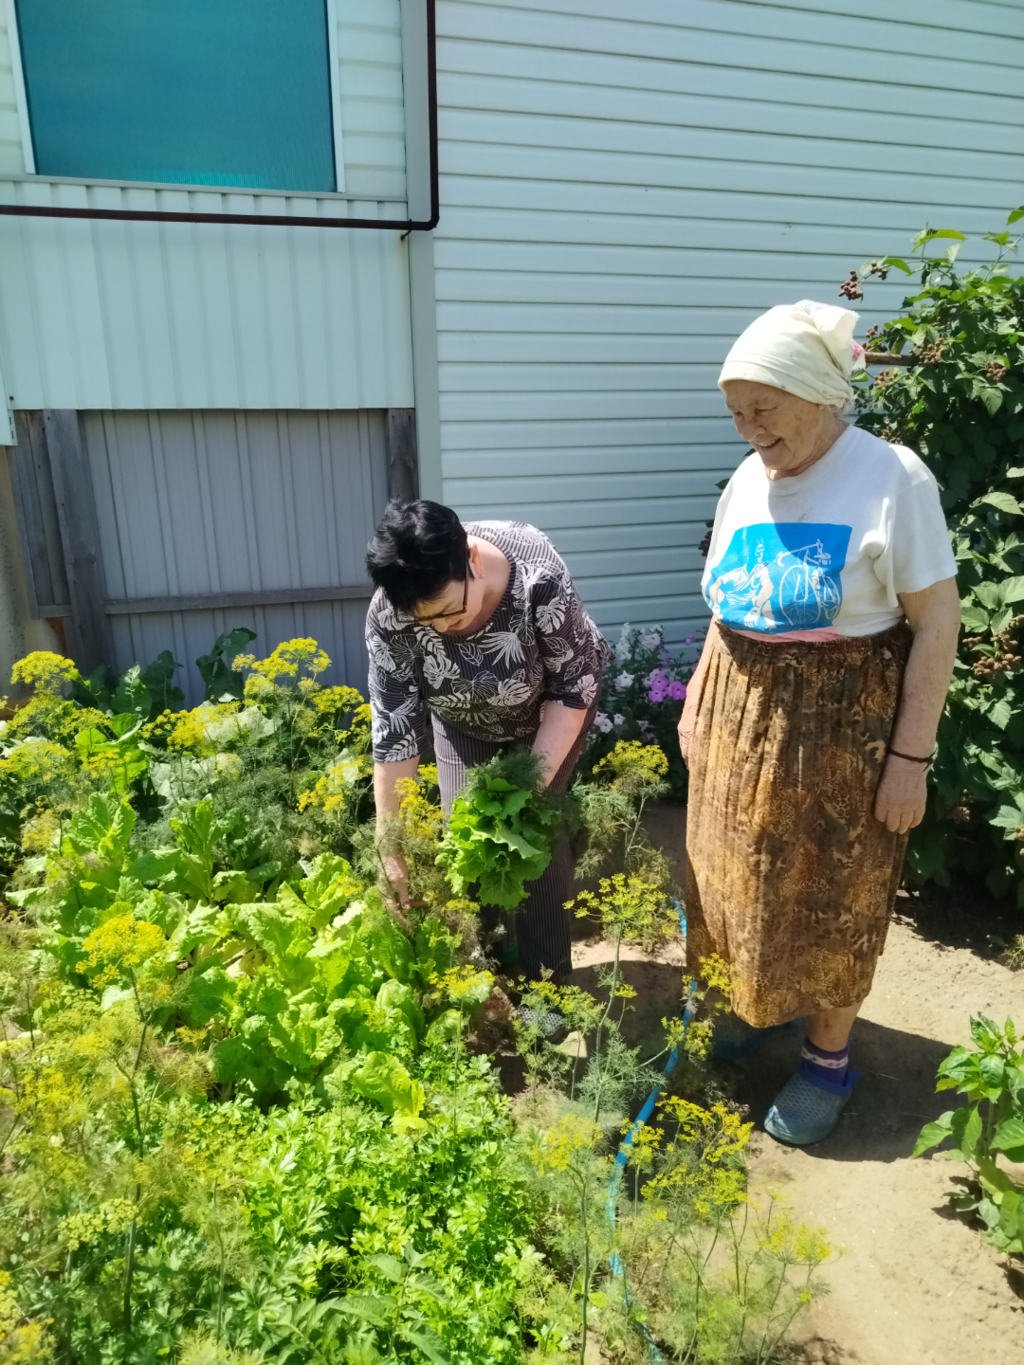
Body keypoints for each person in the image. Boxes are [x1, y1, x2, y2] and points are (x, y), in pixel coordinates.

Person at [678, 300, 960, 1145]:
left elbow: (938, 623)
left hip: (840, 729)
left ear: (819, 393)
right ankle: (750, 1007)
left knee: (833, 895)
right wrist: (696, 701)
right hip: (735, 713)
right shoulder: (748, 478)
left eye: (763, 407)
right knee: (728, 879)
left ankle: (827, 1058)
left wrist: (910, 757)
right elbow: (726, 607)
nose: (749, 427)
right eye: (736, 412)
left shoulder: (893, 477)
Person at [365, 500, 610, 983]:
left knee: (534, 841)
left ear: (472, 560)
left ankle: (547, 989)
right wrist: (388, 848)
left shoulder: (536, 572)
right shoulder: (391, 614)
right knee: (469, 838)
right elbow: (395, 731)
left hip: (550, 710)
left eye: (450, 611)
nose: (442, 628)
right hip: (461, 718)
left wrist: (521, 802)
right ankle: (490, 971)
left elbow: (572, 689)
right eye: (426, 622)